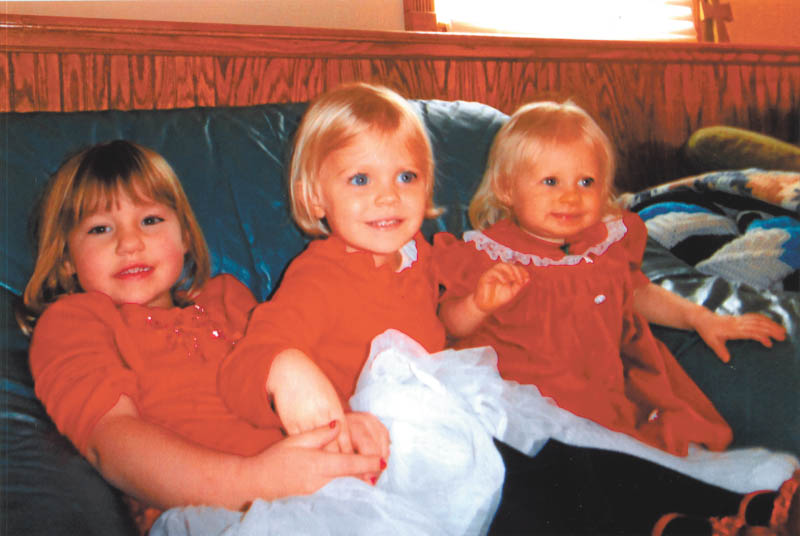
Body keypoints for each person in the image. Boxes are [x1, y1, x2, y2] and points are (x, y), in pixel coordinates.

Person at [432, 100, 796, 534]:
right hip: (524, 408)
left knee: (637, 466)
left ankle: (743, 509)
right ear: (507, 189)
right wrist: (479, 303)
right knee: (585, 479)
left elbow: (637, 292)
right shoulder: (485, 254)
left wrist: (701, 319)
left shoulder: (605, 244)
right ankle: (698, 516)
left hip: (603, 400)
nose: (570, 196)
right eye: (550, 181)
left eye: (586, 181)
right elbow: (448, 325)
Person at [18, 140, 386, 531]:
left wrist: (343, 421)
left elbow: (298, 380)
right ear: (66, 259)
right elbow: (111, 442)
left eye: (150, 220)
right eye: (100, 229)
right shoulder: (73, 322)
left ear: (185, 237)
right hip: (216, 512)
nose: (130, 243)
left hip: (324, 488)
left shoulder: (227, 298)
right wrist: (255, 482)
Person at [217, 82, 447, 451]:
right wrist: (284, 369)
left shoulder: (419, 253)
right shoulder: (320, 277)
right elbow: (243, 368)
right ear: (315, 198)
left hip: (436, 419)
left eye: (406, 177)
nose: (388, 196)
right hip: (363, 442)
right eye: (360, 179)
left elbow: (442, 323)